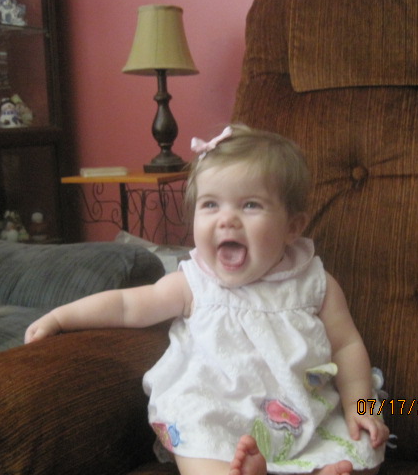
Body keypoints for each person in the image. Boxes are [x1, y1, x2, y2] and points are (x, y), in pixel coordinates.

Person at [25, 124, 390, 475]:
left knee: (366, 443)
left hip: (303, 415)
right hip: (217, 413)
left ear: (292, 227)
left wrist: (359, 405)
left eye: (250, 205)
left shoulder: (314, 284)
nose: (226, 220)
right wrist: (60, 317)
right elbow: (126, 306)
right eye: (211, 204)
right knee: (194, 429)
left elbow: (346, 346)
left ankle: (322, 469)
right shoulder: (194, 283)